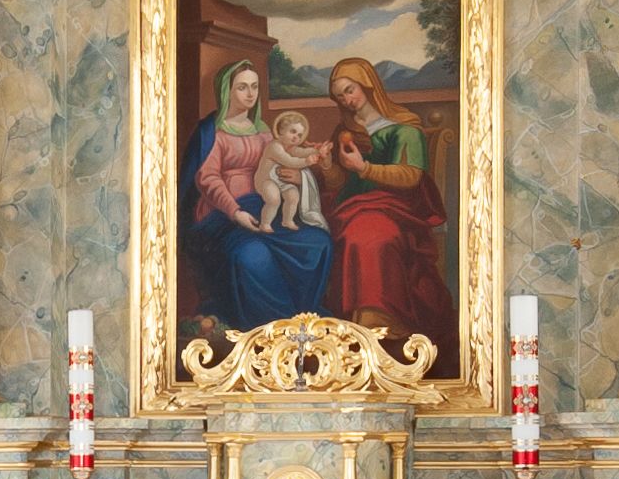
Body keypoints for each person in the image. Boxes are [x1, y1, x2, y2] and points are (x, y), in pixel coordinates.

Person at [323, 57, 457, 370]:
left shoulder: (404, 126)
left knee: (372, 237)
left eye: (350, 90)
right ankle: (356, 323)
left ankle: (384, 323)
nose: (347, 100)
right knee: (348, 234)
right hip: (355, 207)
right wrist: (329, 167)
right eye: (340, 96)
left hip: (398, 208)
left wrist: (364, 168)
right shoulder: (345, 131)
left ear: (368, 85)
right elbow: (340, 183)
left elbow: (411, 176)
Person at [181, 58, 332, 332]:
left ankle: (303, 315)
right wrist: (235, 212)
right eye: (242, 87)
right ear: (227, 91)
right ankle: (279, 328)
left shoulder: (262, 129)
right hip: (222, 215)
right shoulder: (211, 131)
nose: (250, 94)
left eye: (254, 86)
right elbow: (208, 179)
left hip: (264, 206)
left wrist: (304, 166)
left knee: (317, 241)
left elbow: (282, 160)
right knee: (253, 254)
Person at [262, 107, 327, 230]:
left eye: (299, 135)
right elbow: (289, 161)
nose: (296, 137)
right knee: (274, 199)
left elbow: (303, 152)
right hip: (266, 180)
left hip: (281, 181)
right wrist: (306, 161)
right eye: (293, 131)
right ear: (281, 130)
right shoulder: (274, 146)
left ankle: (287, 221)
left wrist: (317, 151)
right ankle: (265, 223)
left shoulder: (291, 148)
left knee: (293, 196)